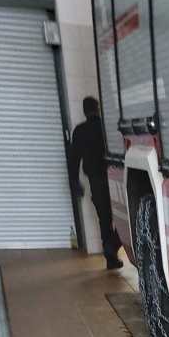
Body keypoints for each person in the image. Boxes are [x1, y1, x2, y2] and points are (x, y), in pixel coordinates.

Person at [69, 97, 123, 270]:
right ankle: (113, 247)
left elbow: (74, 159)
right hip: (114, 178)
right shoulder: (106, 127)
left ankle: (111, 257)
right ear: (98, 108)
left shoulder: (79, 131)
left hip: (95, 180)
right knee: (124, 216)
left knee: (104, 218)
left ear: (85, 111)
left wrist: (74, 181)